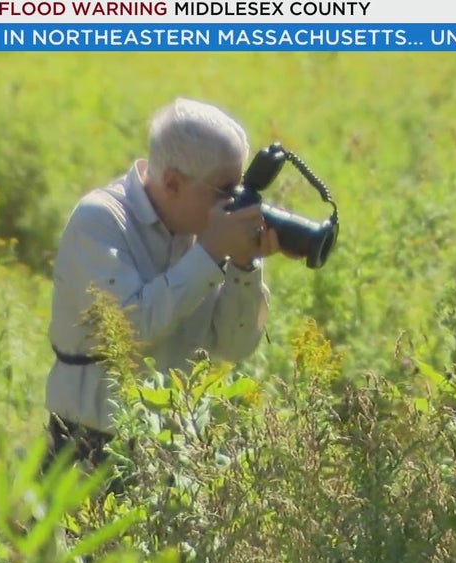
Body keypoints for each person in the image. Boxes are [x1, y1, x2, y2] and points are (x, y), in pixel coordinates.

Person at [42, 97, 295, 474]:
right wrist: (210, 253)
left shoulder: (200, 233)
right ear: (173, 183)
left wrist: (244, 265)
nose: (235, 203)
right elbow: (130, 331)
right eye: (225, 190)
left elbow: (234, 345)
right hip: (91, 445)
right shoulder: (100, 221)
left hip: (174, 443)